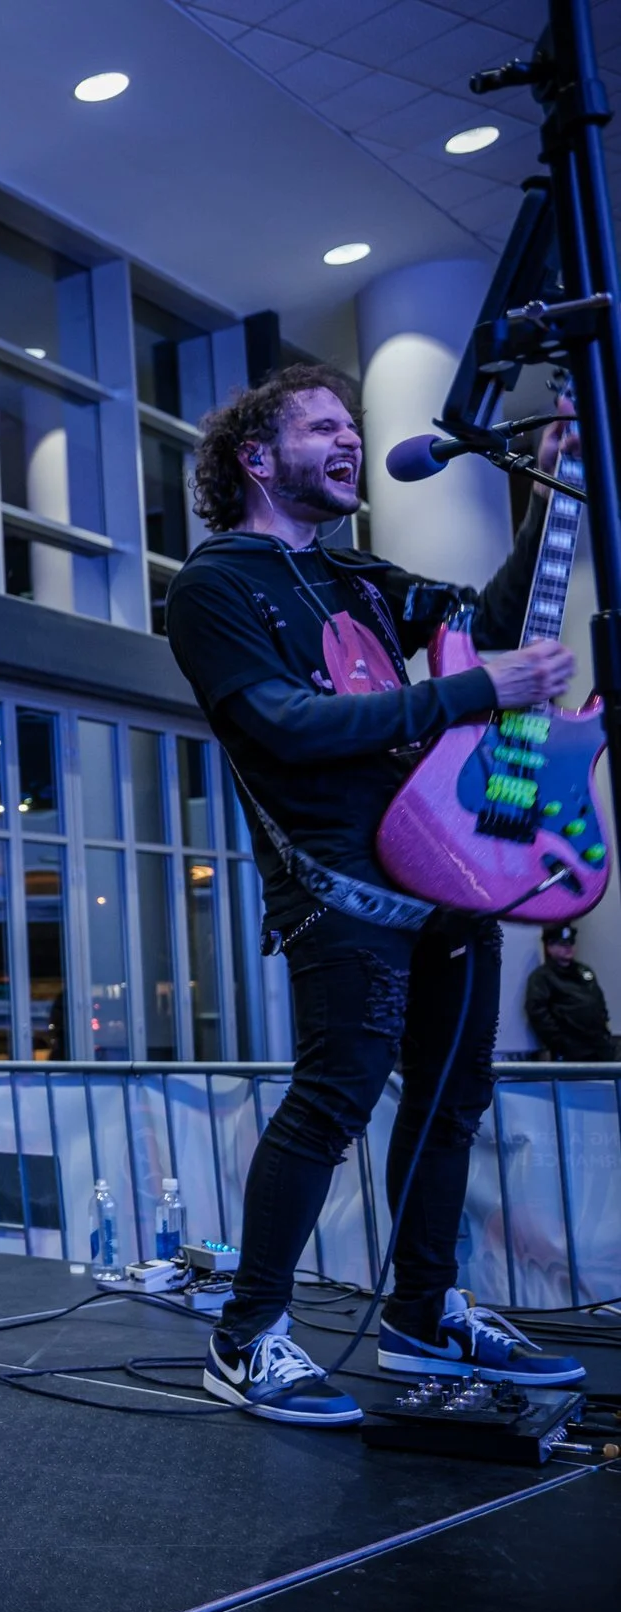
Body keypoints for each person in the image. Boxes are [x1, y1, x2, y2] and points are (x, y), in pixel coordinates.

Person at [163, 365, 585, 1426]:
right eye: (322, 427)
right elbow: (280, 723)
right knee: (331, 1101)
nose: (349, 440)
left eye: (353, 425)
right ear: (255, 459)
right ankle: (247, 1333)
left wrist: (548, 494)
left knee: (452, 1106)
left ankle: (421, 1310)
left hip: (444, 864)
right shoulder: (216, 582)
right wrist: (473, 690)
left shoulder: (353, 575)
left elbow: (484, 625)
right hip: (339, 880)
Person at [525, 923, 616, 1062]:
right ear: (549, 947)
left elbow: (597, 1002)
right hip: (571, 1049)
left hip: (599, 1045)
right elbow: (537, 1011)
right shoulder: (542, 977)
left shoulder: (584, 971)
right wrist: (559, 1042)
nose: (568, 947)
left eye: (571, 943)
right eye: (562, 944)